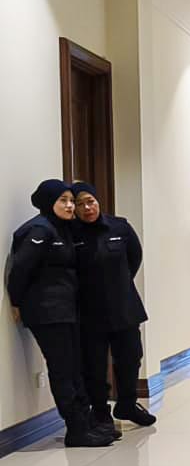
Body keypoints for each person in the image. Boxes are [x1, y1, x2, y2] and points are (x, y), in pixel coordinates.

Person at [7, 180, 115, 448]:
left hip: (66, 310)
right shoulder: (40, 230)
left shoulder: (61, 228)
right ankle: (76, 429)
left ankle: (86, 423)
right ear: (48, 203)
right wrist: (16, 302)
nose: (70, 206)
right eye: (63, 201)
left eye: (71, 200)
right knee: (63, 370)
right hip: (48, 312)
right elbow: (20, 270)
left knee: (75, 369)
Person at [71, 182, 156, 430]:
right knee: (94, 365)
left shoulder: (120, 226)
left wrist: (118, 282)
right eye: (80, 204)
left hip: (123, 306)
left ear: (98, 201)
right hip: (89, 311)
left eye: (90, 201)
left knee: (131, 357)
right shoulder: (70, 233)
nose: (87, 208)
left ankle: (127, 404)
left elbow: (134, 257)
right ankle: (100, 412)